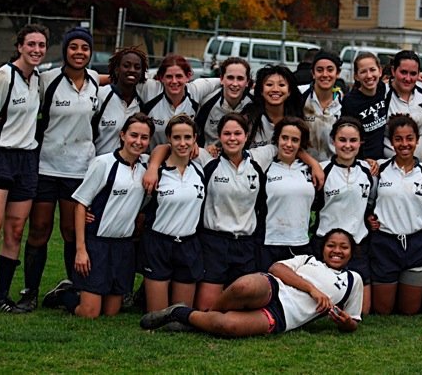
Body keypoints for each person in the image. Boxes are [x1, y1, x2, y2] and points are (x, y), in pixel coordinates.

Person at [139, 228, 363, 336]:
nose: (336, 251)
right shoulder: (308, 259)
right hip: (274, 287)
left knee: (227, 326)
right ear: (323, 248)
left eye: (343, 247)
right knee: (243, 286)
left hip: (285, 315)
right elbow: (276, 268)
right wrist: (313, 290)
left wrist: (346, 324)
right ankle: (201, 316)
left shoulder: (353, 280)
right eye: (331, 245)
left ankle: (180, 314)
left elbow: (353, 321)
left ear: (352, 253)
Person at [19, 27, 100, 311]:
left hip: (79, 169)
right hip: (45, 166)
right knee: (39, 228)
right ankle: (30, 293)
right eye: (74, 47)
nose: (79, 52)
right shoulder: (48, 80)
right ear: (65, 50)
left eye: (85, 48)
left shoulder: (95, 84)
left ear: (91, 53)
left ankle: (74, 289)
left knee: (70, 230)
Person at [42, 113, 155, 318]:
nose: (138, 142)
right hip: (97, 243)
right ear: (122, 135)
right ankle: (64, 294)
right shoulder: (103, 163)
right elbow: (80, 204)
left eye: (144, 137)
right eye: (133, 135)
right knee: (89, 312)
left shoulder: (147, 166)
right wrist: (81, 250)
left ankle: (85, 290)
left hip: (123, 245)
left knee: (112, 311)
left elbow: (164, 151)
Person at [0, 24, 49, 316]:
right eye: (31, 44)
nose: (36, 50)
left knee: (16, 230)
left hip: (27, 160)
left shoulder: (38, 79)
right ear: (19, 46)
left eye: (42, 45)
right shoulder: (4, 76)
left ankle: (2, 297)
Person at [194, 113, 266, 310]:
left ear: (246, 136)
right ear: (219, 136)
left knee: (243, 308)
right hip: (214, 243)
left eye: (237, 133)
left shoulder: (257, 165)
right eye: (226, 134)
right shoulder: (208, 163)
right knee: (207, 310)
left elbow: (260, 207)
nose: (232, 138)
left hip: (245, 245)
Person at [368, 115, 422, 315]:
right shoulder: (379, 169)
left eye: (409, 138)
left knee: (409, 310)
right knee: (383, 310)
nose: (404, 144)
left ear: (417, 140)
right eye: (398, 139)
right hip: (384, 244)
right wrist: (369, 218)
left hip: (415, 244)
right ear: (391, 141)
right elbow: (369, 201)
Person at [140, 115, 206, 312]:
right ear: (168, 138)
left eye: (187, 137)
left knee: (181, 315)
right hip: (158, 244)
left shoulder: (201, 168)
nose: (182, 143)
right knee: (158, 316)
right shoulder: (155, 170)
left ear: (195, 138)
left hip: (188, 246)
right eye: (177, 138)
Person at [312, 116, 375, 314]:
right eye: (342, 140)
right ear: (333, 141)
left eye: (353, 140)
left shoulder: (369, 169)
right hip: (326, 245)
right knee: (323, 308)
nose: (347, 145)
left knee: (362, 311)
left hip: (358, 245)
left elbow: (371, 203)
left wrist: (371, 219)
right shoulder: (321, 170)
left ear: (360, 143)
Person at [259, 117, 315, 271]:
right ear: (277, 139)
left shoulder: (310, 170)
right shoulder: (265, 167)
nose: (289, 144)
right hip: (270, 245)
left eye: (295, 140)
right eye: (284, 138)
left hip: (302, 244)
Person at [137, 54, 220, 149]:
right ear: (161, 78)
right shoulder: (150, 88)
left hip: (183, 157)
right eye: (169, 76)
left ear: (188, 76)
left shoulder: (195, 90)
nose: (174, 81)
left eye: (179, 76)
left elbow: (224, 81)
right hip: (151, 157)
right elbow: (127, 78)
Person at [94, 47, 149, 155]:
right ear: (117, 69)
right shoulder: (101, 96)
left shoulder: (142, 103)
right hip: (99, 165)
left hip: (128, 168)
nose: (132, 70)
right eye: (126, 65)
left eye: (137, 67)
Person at [383, 50, 422, 163]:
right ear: (393, 71)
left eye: (413, 73)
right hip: (393, 170)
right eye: (403, 72)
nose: (408, 78)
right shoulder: (381, 94)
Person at [195, 57, 253, 147]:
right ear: (221, 79)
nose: (235, 84)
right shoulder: (206, 103)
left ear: (247, 82)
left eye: (240, 78)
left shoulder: (255, 104)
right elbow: (196, 136)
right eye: (230, 77)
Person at [341, 52, 387, 160]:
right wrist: (363, 160)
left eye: (372, 70)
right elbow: (350, 135)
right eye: (363, 72)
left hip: (383, 159)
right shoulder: (350, 101)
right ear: (356, 76)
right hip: (363, 161)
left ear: (380, 71)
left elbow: (404, 80)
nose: (369, 76)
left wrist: (420, 77)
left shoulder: (383, 88)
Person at [244, 65, 304, 148]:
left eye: (281, 85)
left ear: (289, 91)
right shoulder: (249, 118)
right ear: (261, 90)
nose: (275, 89)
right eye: (269, 84)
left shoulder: (297, 117)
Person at [300, 50, 344, 161]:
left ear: (337, 73)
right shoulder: (300, 95)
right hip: (303, 164)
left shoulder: (343, 100)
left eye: (330, 70)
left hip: (333, 166)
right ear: (313, 74)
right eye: (319, 70)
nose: (325, 75)